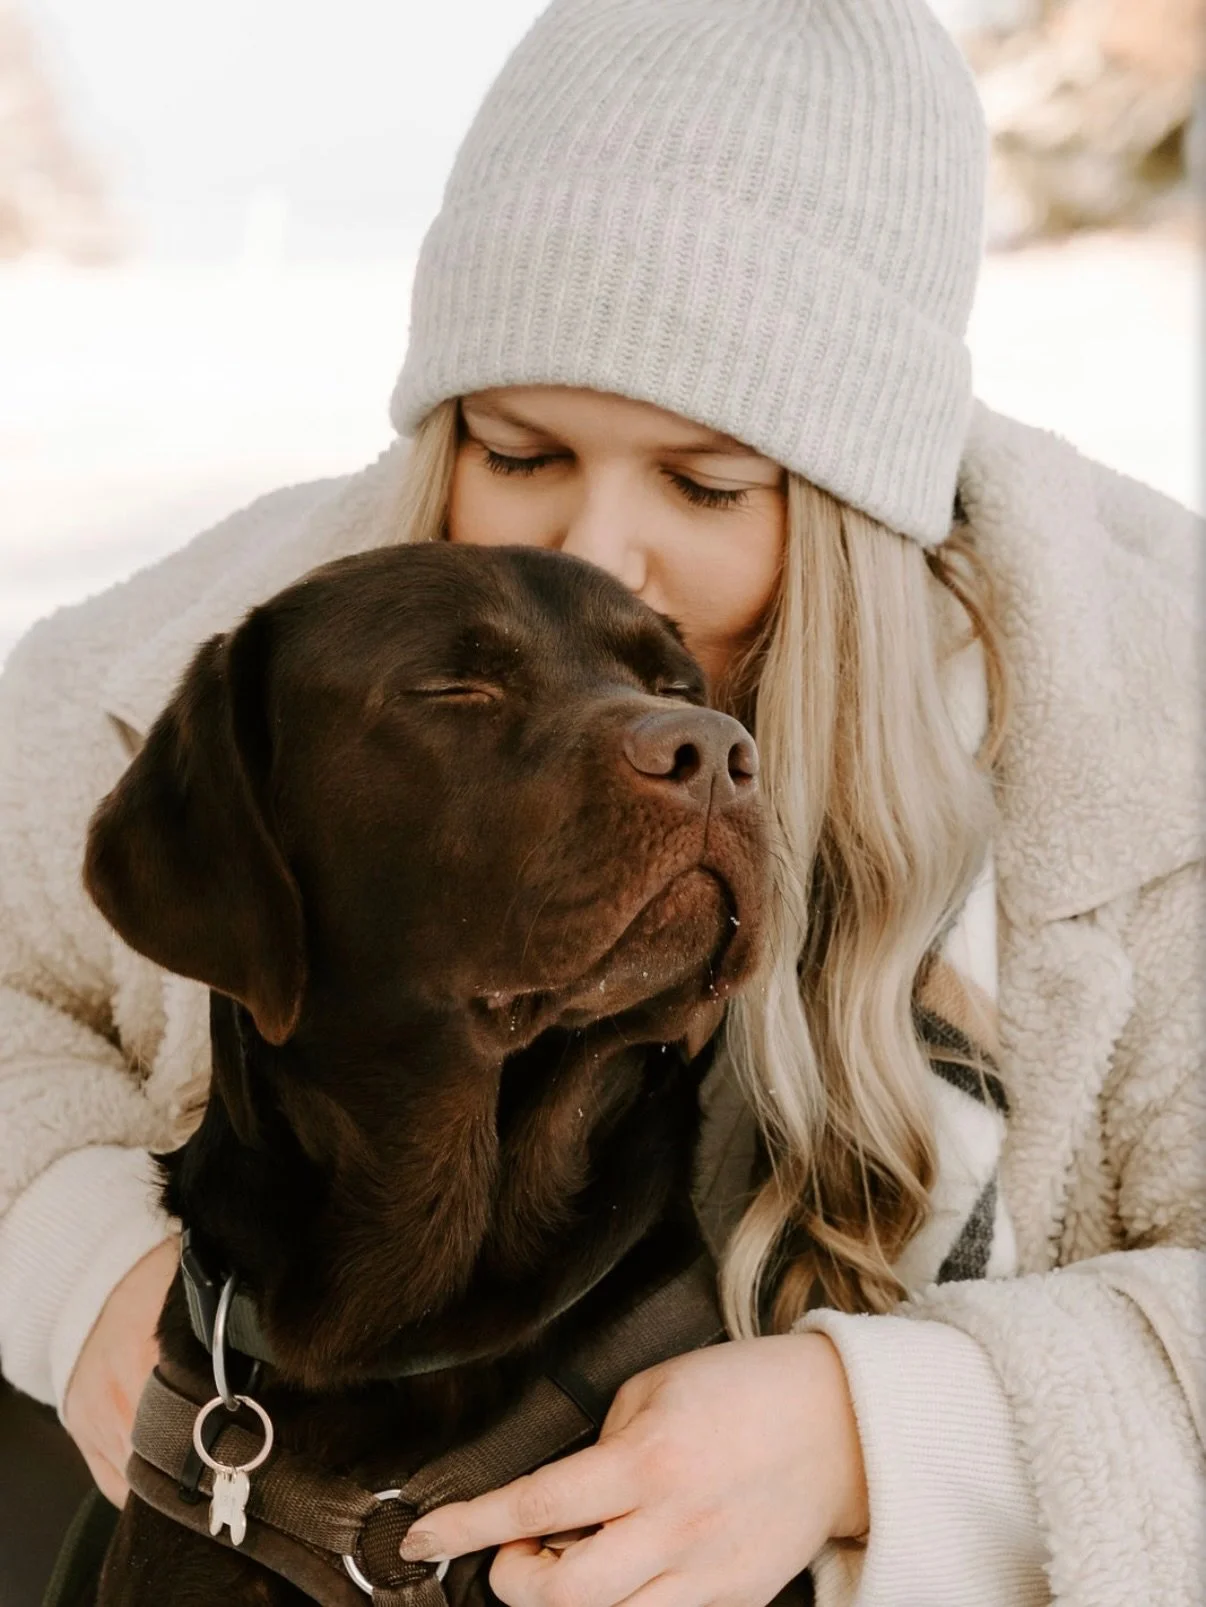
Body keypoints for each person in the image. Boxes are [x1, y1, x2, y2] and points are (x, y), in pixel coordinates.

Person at [0, 1, 1201, 1603]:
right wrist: (87, 1272)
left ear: (849, 506)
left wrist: (888, 1431)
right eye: (517, 447)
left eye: (706, 484)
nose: (598, 549)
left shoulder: (1147, 753)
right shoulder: (229, 664)